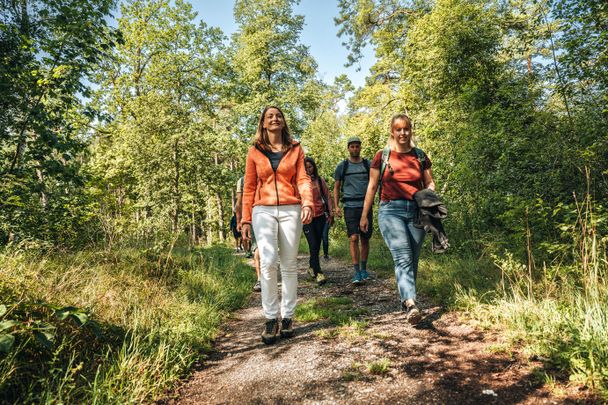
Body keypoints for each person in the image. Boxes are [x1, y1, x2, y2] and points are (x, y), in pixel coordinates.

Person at [241, 106, 313, 345]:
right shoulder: (254, 151)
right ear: (263, 123)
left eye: (278, 115)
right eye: (269, 116)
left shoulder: (296, 148)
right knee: (269, 262)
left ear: (283, 122)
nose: (275, 118)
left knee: (290, 264)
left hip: (291, 208)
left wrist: (308, 204)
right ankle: (271, 318)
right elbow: (249, 187)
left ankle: (288, 317)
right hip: (262, 209)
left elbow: (303, 178)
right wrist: (245, 219)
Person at [360, 114, 435, 324]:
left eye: (406, 129)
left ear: (411, 130)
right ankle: (410, 303)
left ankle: (407, 297)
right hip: (390, 210)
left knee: (412, 257)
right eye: (398, 129)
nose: (403, 133)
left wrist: (430, 193)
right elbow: (372, 187)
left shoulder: (420, 155)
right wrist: (364, 215)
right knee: (402, 255)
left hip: (417, 211)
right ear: (392, 131)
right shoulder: (382, 156)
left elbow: (429, 182)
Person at [333, 136, 373, 285]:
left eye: (357, 146)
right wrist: (336, 206)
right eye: (352, 146)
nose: (355, 149)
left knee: (365, 238)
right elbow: (336, 188)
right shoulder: (342, 166)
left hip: (365, 206)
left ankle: (364, 269)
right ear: (348, 148)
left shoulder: (367, 165)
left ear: (360, 147)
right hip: (349, 206)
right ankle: (356, 271)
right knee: (353, 238)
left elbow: (374, 184)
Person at [303, 157, 333, 285]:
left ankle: (311, 268)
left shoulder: (320, 181)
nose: (308, 169)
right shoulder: (300, 183)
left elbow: (327, 196)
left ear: (314, 167)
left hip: (320, 216)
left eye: (310, 166)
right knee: (313, 244)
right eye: (306, 167)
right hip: (306, 218)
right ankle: (319, 272)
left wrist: (331, 212)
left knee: (317, 245)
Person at [235, 176, 261, 292]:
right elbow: (239, 203)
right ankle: (260, 279)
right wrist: (240, 220)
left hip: (268, 213)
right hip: (253, 216)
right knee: (257, 248)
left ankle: (267, 276)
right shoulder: (242, 181)